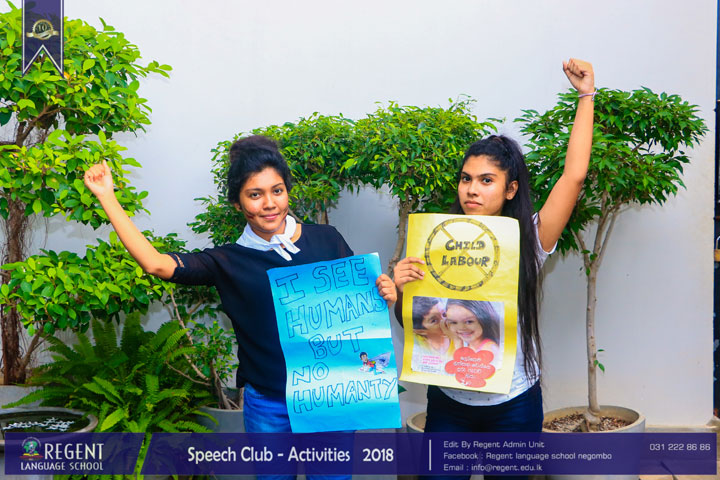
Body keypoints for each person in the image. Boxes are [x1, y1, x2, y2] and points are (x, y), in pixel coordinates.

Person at [84, 135, 397, 480]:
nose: (269, 204)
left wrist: (385, 292)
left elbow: (357, 310)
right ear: (237, 203)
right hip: (269, 406)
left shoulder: (327, 239)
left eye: (277, 191)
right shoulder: (227, 262)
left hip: (331, 397)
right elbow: (156, 264)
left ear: (288, 192)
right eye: (255, 194)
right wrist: (107, 196)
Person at [393, 58, 594, 480]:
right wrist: (401, 291)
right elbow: (418, 323)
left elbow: (573, 178)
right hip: (449, 402)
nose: (472, 189)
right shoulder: (435, 240)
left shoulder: (529, 239)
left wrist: (586, 96)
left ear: (510, 188)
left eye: (486, 180)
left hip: (514, 406)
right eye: (466, 178)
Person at [444, 299, 501, 367]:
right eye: (453, 322)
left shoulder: (489, 349)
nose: (461, 327)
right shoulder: (470, 345)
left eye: (469, 321)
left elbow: (462, 368)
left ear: (485, 320)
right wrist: (457, 341)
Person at [410, 297, 454, 374]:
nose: (445, 321)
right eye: (434, 320)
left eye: (444, 314)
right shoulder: (417, 344)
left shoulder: (461, 334)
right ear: (421, 331)